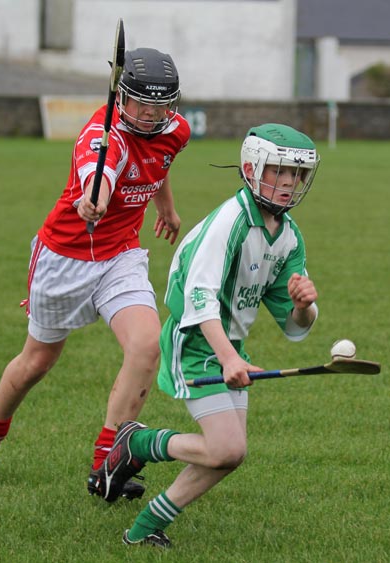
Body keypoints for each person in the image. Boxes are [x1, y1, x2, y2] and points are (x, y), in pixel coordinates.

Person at [0, 47, 191, 501]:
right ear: (121, 98)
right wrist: (94, 199)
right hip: (64, 258)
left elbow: (159, 162)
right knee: (36, 364)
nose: (150, 115)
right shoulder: (101, 138)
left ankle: (106, 467)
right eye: (141, 104)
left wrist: (165, 206)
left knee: (147, 344)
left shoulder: (175, 130)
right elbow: (99, 177)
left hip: (120, 255)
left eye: (160, 105)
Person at [97, 123, 321, 547]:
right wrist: (229, 358)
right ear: (253, 169)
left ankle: (144, 528)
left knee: (227, 456)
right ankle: (139, 442)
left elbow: (295, 326)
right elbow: (199, 300)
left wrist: (303, 304)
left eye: (297, 176)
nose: (290, 184)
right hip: (195, 342)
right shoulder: (230, 222)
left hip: (228, 347)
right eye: (279, 171)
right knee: (227, 449)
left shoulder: (288, 236)